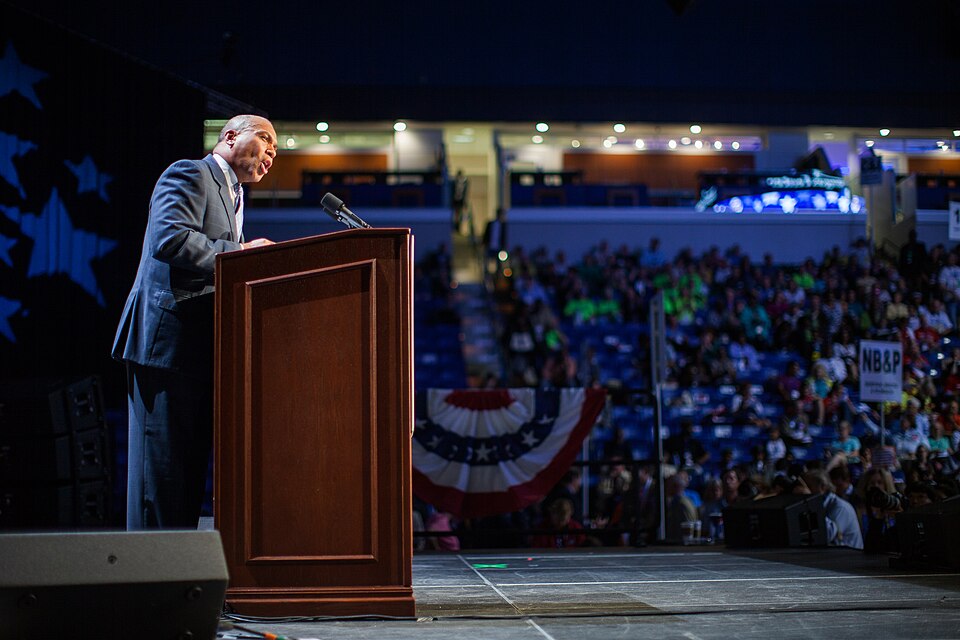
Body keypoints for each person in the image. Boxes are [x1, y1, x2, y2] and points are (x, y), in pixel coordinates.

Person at [112, 115, 278, 529]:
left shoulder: (234, 193)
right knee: (160, 479)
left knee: (183, 478)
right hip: (166, 344)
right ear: (230, 136)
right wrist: (241, 253)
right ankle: (149, 585)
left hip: (198, 349)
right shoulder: (191, 173)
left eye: (277, 150)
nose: (272, 153)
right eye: (266, 140)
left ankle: (176, 583)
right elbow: (170, 238)